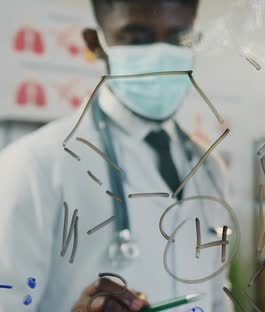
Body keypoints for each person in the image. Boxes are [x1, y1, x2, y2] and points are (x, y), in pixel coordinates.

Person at [0, 1, 232, 311]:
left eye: (179, 39)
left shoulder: (209, 169)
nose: (160, 54)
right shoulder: (35, 165)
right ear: (95, 43)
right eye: (137, 39)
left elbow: (217, 297)